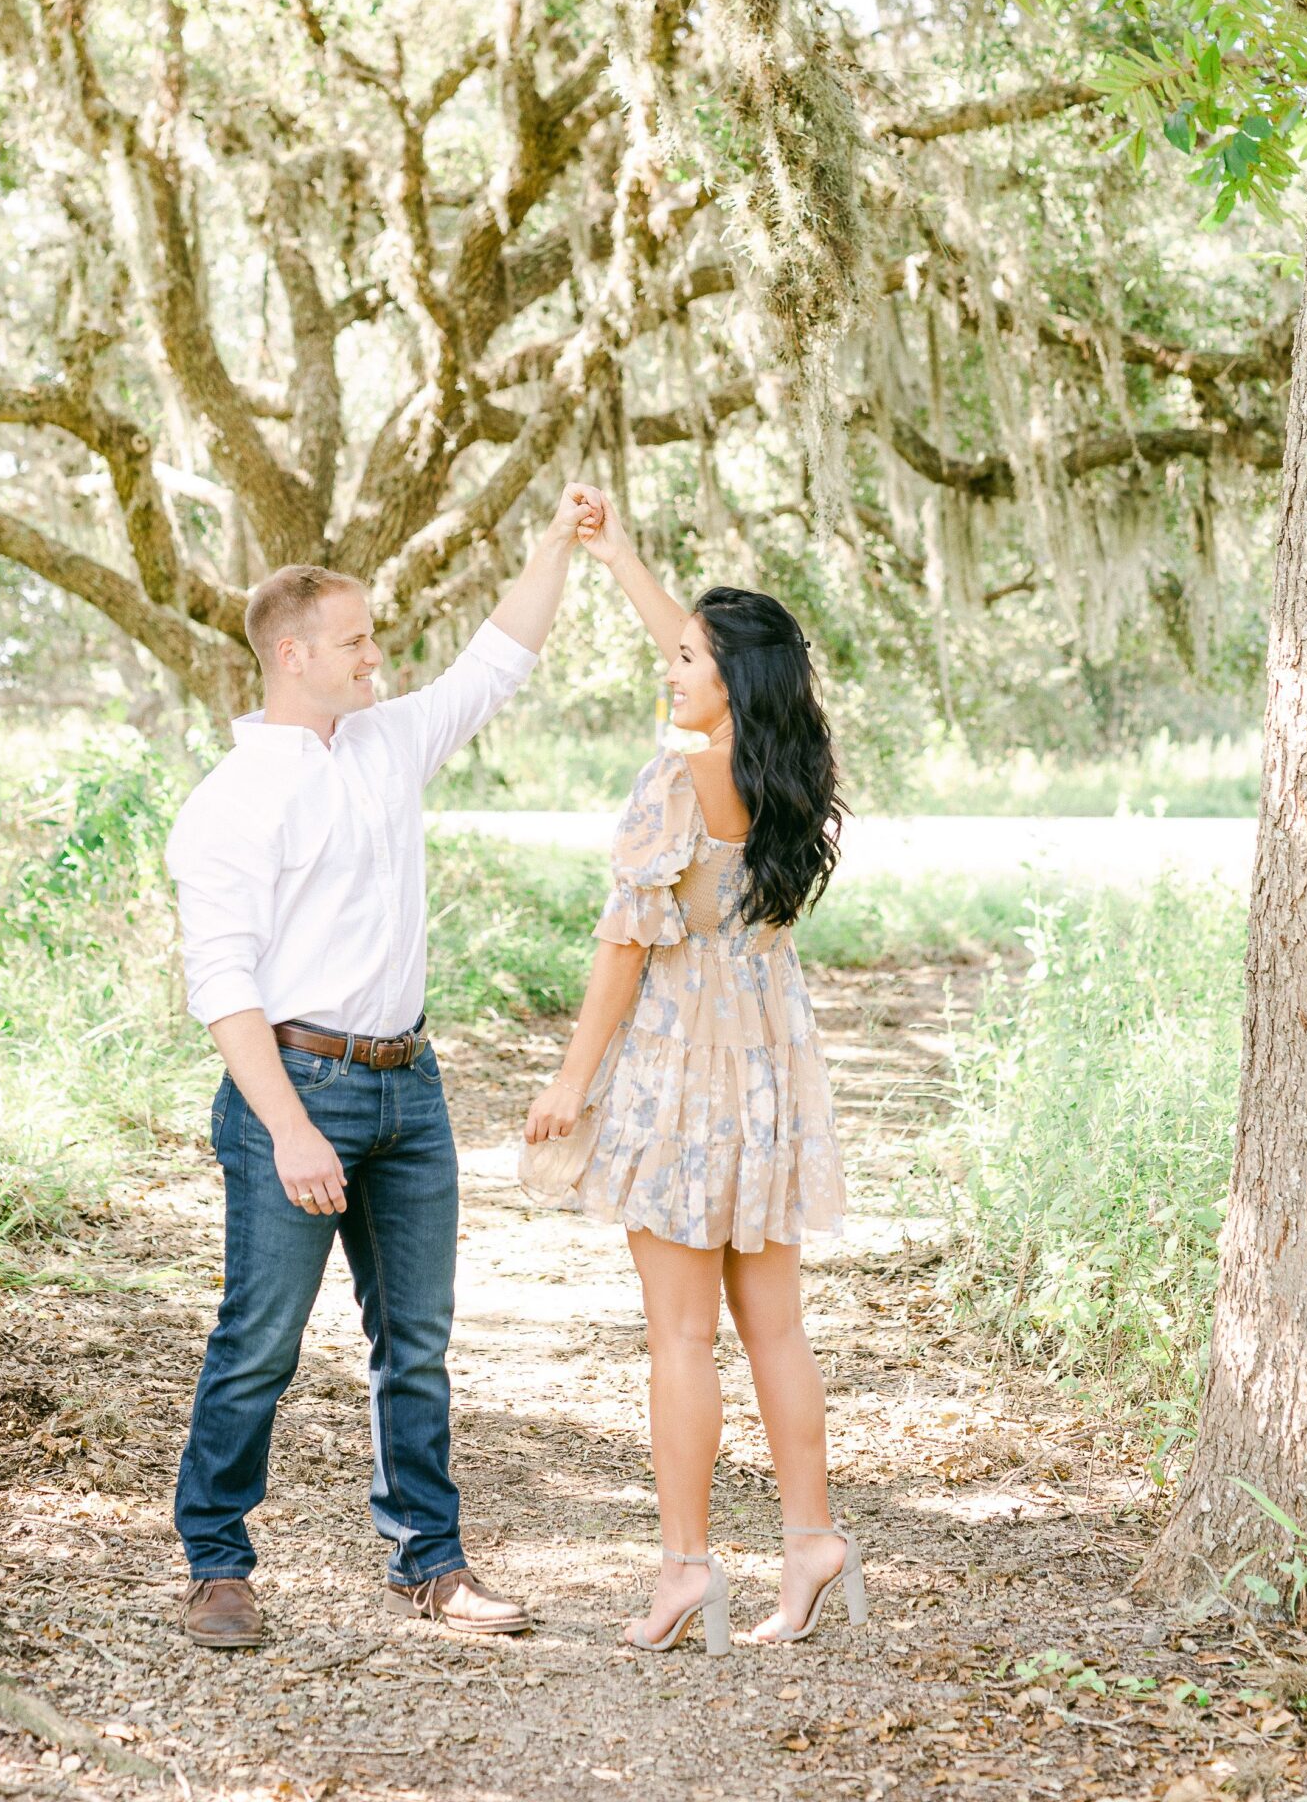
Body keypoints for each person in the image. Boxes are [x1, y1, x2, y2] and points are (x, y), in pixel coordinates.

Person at [166, 485, 599, 1648]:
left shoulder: (386, 739)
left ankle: (430, 1560)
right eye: (357, 638)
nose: (378, 653)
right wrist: (289, 1130)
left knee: (416, 1341)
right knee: (258, 1336)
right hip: (293, 1092)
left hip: (411, 1085)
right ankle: (215, 1560)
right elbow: (225, 987)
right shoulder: (228, 803)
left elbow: (496, 658)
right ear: (294, 653)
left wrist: (553, 538)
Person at [523, 492, 865, 1654]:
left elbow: (623, 948)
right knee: (775, 1328)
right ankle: (810, 1537)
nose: (666, 668)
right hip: (765, 1073)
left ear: (724, 680)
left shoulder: (677, 783)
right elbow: (702, 649)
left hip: (680, 1074)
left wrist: (570, 1083)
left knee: (678, 1335)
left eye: (684, 662)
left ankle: (684, 1572)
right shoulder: (780, 764)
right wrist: (618, 557)